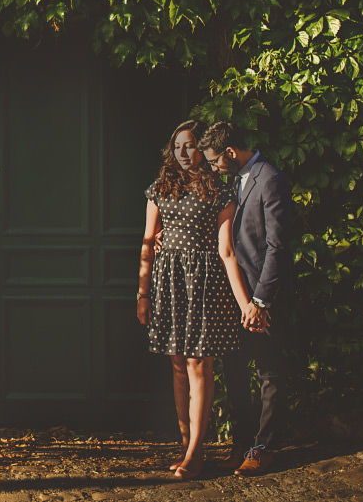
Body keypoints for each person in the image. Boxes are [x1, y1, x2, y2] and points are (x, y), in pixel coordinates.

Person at [136, 119, 253, 480]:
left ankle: (195, 453)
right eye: (177, 146)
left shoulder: (220, 190)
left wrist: (245, 303)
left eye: (189, 145)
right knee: (177, 365)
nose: (183, 153)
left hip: (205, 284)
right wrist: (142, 294)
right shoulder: (160, 188)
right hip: (169, 282)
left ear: (202, 148)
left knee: (198, 364)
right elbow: (147, 242)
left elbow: (226, 250)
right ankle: (188, 444)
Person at [198, 121, 295, 477]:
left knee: (270, 374)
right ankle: (241, 444)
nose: (213, 168)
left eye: (214, 161)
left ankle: (263, 449)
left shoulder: (270, 179)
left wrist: (261, 301)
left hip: (263, 299)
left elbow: (277, 246)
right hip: (234, 299)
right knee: (235, 371)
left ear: (230, 152)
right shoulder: (234, 181)